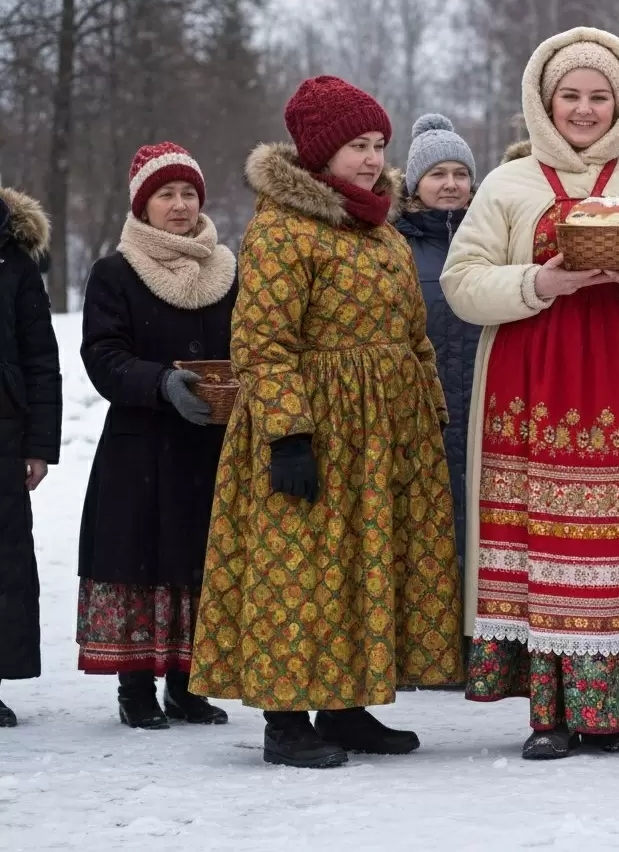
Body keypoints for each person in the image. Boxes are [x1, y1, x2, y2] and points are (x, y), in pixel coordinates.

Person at [441, 27, 619, 760]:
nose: (585, 109)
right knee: (541, 541)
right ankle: (549, 711)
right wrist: (540, 281)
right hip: (530, 385)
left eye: (600, 97)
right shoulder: (509, 185)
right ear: (545, 100)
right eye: (571, 95)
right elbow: (462, 282)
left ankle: (611, 709)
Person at [189, 76, 463, 769]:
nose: (372, 159)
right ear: (319, 151)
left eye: (378, 145)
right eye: (356, 146)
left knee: (365, 566)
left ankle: (345, 707)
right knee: (300, 570)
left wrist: (429, 412)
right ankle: (285, 720)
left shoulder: (380, 230)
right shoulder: (282, 230)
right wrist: (288, 434)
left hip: (385, 431)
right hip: (316, 428)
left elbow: (414, 336)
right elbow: (262, 341)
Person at [77, 143, 236, 729]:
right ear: (142, 205)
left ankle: (188, 687)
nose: (179, 205)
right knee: (140, 563)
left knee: (198, 563)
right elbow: (102, 355)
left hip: (208, 445)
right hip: (140, 445)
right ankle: (136, 687)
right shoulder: (115, 273)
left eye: (188, 193)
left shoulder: (228, 271)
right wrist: (161, 382)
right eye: (165, 194)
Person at [397, 114, 481, 605]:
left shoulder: (491, 237)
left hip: (484, 403)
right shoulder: (396, 243)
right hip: (423, 408)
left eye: (460, 174)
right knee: (428, 522)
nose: (451, 184)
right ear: (414, 184)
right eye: (437, 174)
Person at [0, 185, 61, 728]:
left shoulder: (14, 261)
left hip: (3, 434)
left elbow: (40, 357)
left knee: (3, 563)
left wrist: (39, 446)